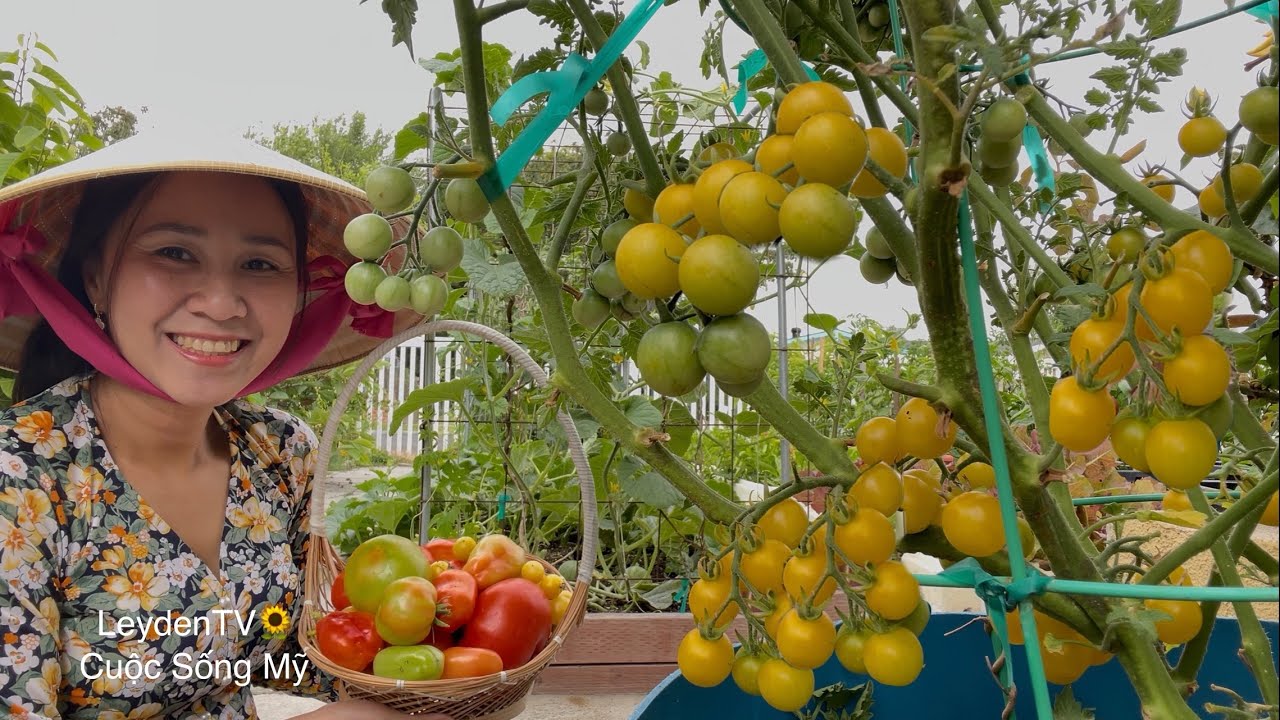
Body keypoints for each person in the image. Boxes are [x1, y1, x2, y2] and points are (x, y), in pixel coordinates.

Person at [0, 131, 446, 719]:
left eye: (259, 264)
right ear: (96, 278)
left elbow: (290, 651)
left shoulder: (279, 454)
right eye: (175, 253)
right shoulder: (20, 482)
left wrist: (451, 649)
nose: (221, 302)